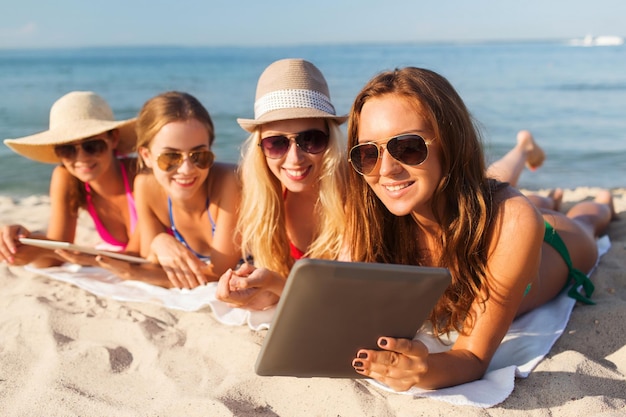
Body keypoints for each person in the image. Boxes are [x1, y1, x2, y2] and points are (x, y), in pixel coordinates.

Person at [343, 67, 617, 391]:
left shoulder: (513, 220)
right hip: (484, 210)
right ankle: (525, 150)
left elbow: (473, 357)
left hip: (552, 244)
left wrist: (422, 370)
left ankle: (603, 201)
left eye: (407, 147)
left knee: (585, 221)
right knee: (490, 188)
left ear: (450, 141)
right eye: (367, 153)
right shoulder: (369, 216)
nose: (385, 169)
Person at [216, 58, 348, 310]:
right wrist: (248, 294)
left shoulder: (353, 196)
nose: (295, 158)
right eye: (276, 143)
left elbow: (338, 302)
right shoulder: (266, 198)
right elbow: (282, 292)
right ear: (260, 148)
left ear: (330, 139)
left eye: (310, 139)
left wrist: (273, 283)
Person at [1, 91, 139, 268]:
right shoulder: (67, 177)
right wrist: (23, 243)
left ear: (113, 138)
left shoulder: (141, 176)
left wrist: (84, 257)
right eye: (67, 149)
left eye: (92, 146)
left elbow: (143, 258)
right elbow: (54, 256)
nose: (81, 158)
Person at [123, 91, 241, 289]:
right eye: (171, 157)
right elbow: (149, 260)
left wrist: (132, 273)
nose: (187, 169)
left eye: (199, 155)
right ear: (146, 156)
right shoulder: (145, 186)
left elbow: (219, 275)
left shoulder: (230, 181)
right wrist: (159, 242)